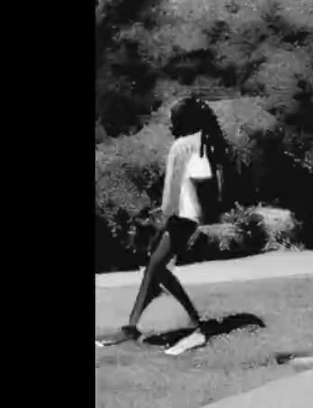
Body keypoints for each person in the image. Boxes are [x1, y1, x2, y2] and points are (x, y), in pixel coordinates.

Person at [97, 96, 230, 355]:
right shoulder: (202, 142)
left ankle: (193, 320)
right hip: (191, 217)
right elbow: (203, 179)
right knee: (153, 268)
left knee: (156, 265)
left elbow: (173, 188)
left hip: (181, 217)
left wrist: (166, 211)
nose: (169, 122)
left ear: (182, 120)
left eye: (172, 118)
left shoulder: (181, 146)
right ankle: (132, 326)